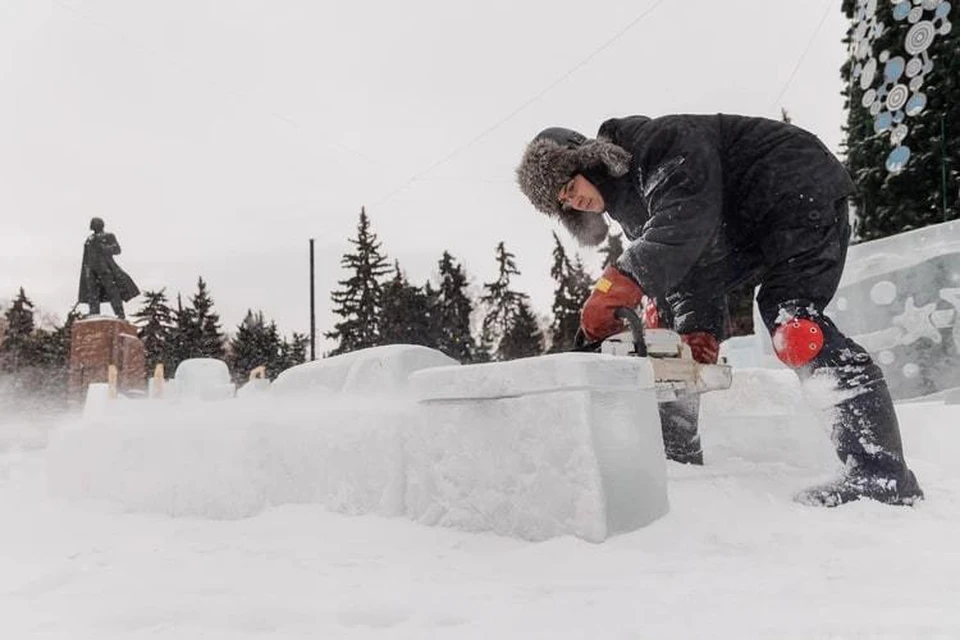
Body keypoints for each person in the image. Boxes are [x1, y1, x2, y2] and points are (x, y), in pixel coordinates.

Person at [515, 114, 923, 507]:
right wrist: (698, 333)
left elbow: (687, 220)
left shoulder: (657, 145)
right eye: (564, 202)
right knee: (675, 349)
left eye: (569, 185)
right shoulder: (633, 210)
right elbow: (696, 268)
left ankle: (881, 473)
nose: (574, 200)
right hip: (760, 226)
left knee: (796, 329)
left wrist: (613, 286)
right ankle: (676, 462)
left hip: (793, 188)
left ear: (585, 159)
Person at [77, 217, 140, 319]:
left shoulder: (109, 236)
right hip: (91, 271)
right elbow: (86, 257)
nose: (92, 226)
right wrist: (86, 271)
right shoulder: (89, 239)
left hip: (105, 269)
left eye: (94, 224)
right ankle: (94, 313)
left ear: (100, 225)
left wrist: (105, 248)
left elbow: (117, 249)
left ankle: (120, 313)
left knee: (112, 291)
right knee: (93, 293)